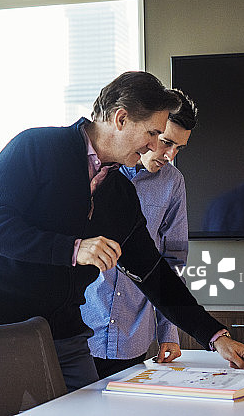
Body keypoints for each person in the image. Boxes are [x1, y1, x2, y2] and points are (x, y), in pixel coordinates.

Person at [0, 71, 244, 392]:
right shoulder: (36, 146)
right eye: (153, 133)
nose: (155, 145)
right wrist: (74, 249)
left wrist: (215, 337)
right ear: (120, 119)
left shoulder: (121, 195)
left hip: (64, 332)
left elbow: (154, 274)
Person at [81, 89, 197, 380]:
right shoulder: (97, 171)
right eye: (165, 141)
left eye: (178, 148)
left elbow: (172, 261)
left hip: (132, 337)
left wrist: (168, 331)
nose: (169, 155)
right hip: (81, 331)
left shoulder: (173, 183)